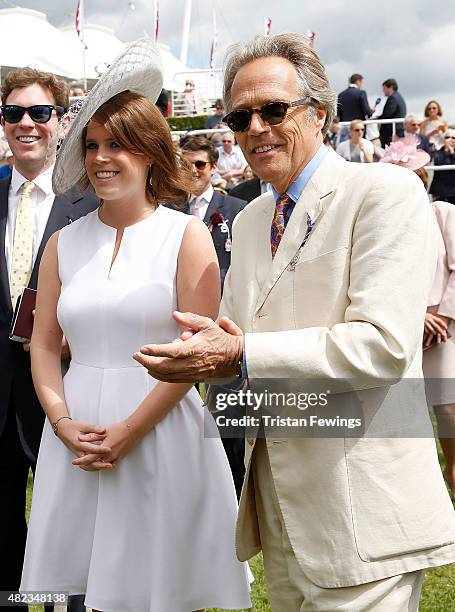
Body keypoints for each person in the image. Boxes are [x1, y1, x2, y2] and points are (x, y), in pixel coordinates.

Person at [134, 33, 455, 611]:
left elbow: (382, 346)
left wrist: (239, 355)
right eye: (240, 116)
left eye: (273, 110)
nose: (255, 127)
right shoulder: (254, 218)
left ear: (321, 114)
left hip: (365, 517)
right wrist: (199, 352)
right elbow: (232, 336)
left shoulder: (384, 191)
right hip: (281, 514)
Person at [20, 38, 251, 612]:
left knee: (158, 587)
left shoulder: (186, 235)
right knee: (78, 587)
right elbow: (45, 346)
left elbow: (195, 352)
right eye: (92, 145)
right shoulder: (62, 244)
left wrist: (132, 429)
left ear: (150, 151)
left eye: (118, 145)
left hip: (159, 428)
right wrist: (62, 421)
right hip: (75, 435)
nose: (101, 158)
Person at [0, 67, 98, 612]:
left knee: (70, 520)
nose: (26, 124)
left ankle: (68, 605)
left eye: (39, 113)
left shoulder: (89, 202)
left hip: (66, 389)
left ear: (60, 123)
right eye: (14, 114)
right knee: (4, 532)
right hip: (0, 397)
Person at [180, 136, 246, 289]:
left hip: (222, 296)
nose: (192, 170)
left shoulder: (236, 208)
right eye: (185, 165)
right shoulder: (170, 210)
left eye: (199, 164)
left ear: (214, 168)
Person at [337, 73, 372, 142]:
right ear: (358, 81)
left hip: (345, 126)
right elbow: (367, 111)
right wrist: (371, 112)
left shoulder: (341, 95)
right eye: (361, 83)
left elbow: (339, 113)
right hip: (358, 127)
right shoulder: (361, 93)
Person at [376, 78, 406, 147]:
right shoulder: (398, 96)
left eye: (384, 88)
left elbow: (387, 114)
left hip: (391, 132)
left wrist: (376, 119)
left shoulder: (393, 98)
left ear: (391, 87)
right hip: (397, 130)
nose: (383, 91)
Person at [429, 129, 455, 204]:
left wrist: (452, 153)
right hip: (440, 191)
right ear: (443, 140)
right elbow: (439, 162)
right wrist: (447, 150)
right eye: (447, 137)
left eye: (454, 138)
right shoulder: (437, 152)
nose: (451, 140)